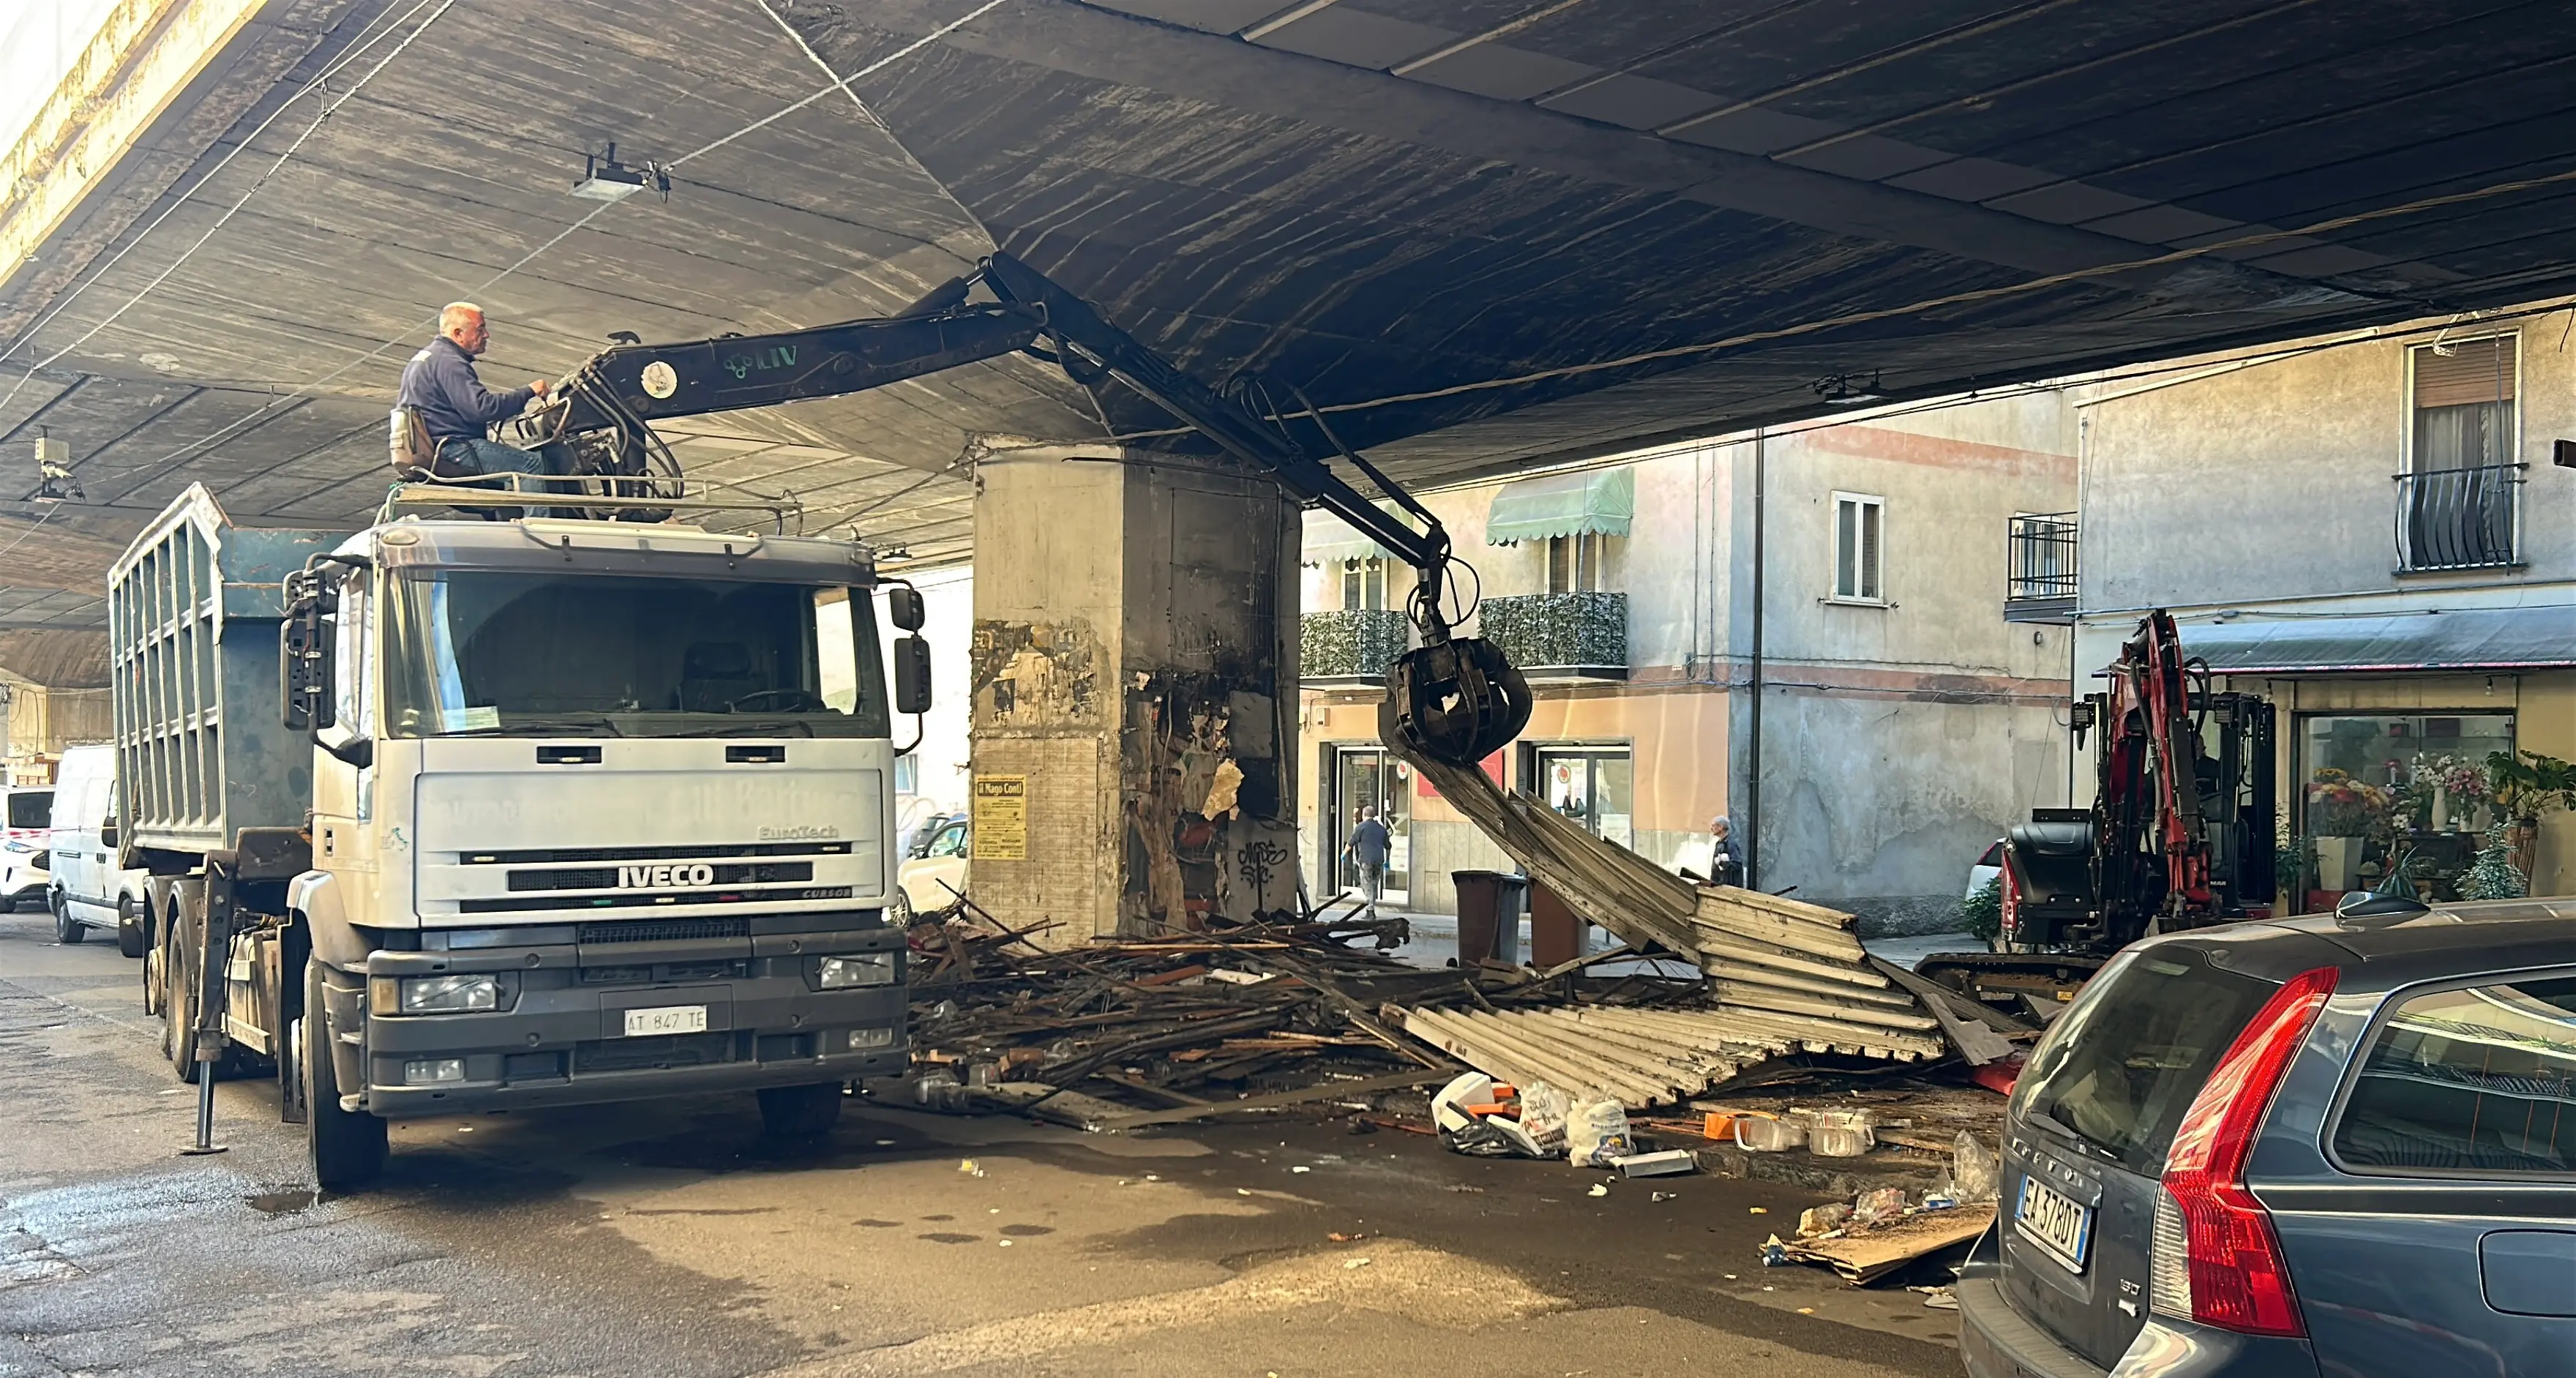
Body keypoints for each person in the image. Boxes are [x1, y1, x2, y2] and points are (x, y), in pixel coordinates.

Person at [397, 302, 569, 501]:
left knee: (503, 478)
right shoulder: (450, 362)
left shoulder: (427, 357)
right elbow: (482, 409)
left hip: (434, 447)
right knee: (532, 466)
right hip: (453, 448)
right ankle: (537, 528)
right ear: (458, 333)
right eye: (480, 329)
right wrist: (528, 392)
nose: (486, 335)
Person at [1345, 804, 1392, 915]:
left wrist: (1344, 853)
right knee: (1374, 884)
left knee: (1366, 884)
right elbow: (1388, 846)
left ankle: (1370, 909)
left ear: (1364, 815)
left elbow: (1351, 842)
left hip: (1366, 860)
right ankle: (1371, 907)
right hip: (1379, 860)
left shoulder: (1361, 827)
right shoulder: (1381, 829)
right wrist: (1388, 861)